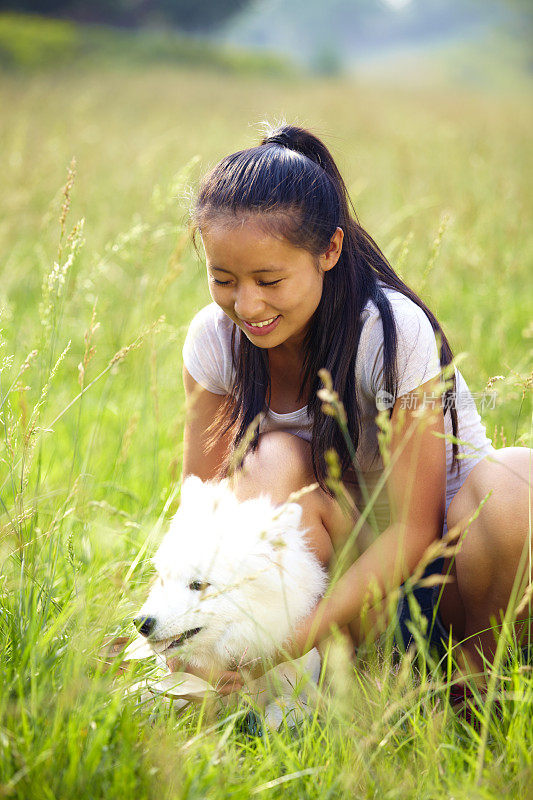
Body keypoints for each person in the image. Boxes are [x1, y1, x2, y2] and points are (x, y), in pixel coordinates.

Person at [180, 124, 532, 695]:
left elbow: (415, 531)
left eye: (269, 280)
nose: (247, 304)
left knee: (518, 485)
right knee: (271, 461)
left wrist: (296, 637)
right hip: (342, 585)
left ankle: (471, 692)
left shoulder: (392, 332)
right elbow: (204, 510)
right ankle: (319, 682)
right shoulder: (214, 340)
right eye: (224, 280)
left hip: (448, 579)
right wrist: (188, 632)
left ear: (330, 250)